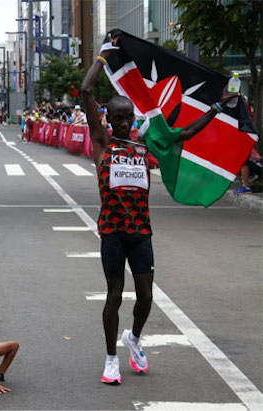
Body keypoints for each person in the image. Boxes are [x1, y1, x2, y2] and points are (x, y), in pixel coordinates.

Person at [81, 34, 238, 385]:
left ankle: (133, 339)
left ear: (133, 119)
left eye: (128, 119)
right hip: (112, 233)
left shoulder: (143, 144)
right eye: (118, 119)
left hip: (141, 233)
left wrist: (217, 107)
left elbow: (184, 134)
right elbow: (86, 93)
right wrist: (103, 58)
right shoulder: (103, 144)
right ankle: (110, 359)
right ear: (108, 119)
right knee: (114, 296)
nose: (123, 124)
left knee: (146, 296)